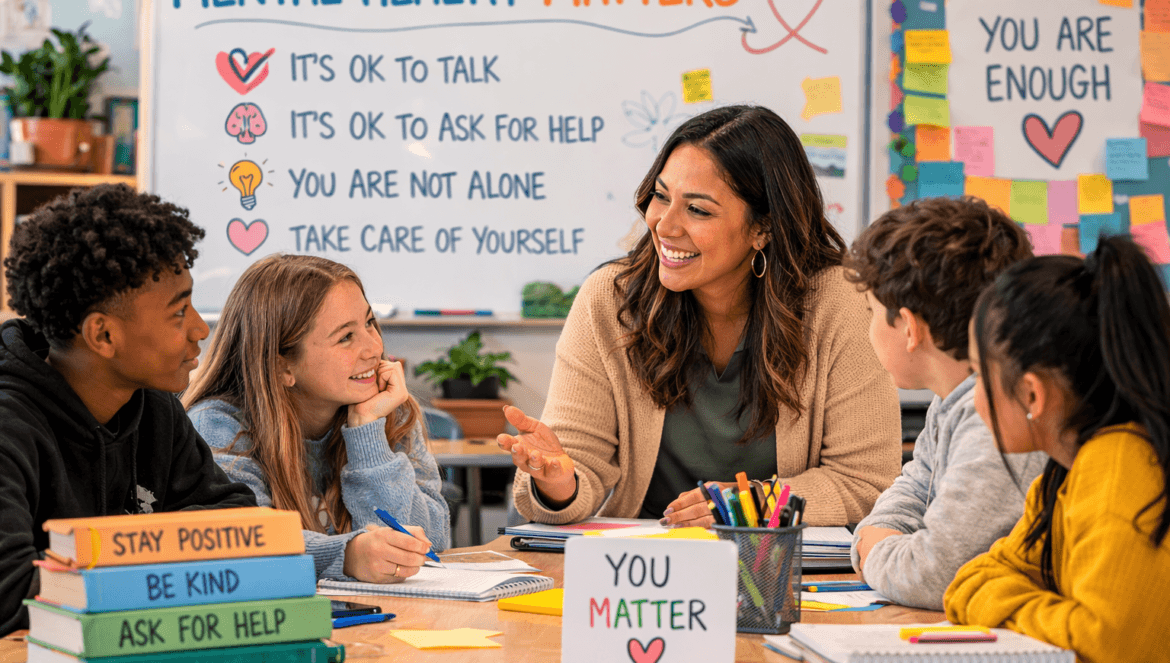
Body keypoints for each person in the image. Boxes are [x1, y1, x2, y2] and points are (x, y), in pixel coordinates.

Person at [498, 105, 902, 526]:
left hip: (774, 569)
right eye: (661, 196)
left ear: (763, 228)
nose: (664, 225)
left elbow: (866, 482)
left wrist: (747, 507)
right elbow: (577, 466)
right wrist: (558, 481)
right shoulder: (611, 299)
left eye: (699, 210)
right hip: (643, 569)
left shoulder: (839, 303)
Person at [0, 184, 257, 635]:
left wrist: (107, 558)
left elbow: (238, 520)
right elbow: (12, 595)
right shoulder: (9, 426)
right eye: (179, 313)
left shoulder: (154, 408)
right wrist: (158, 555)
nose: (200, 329)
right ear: (103, 336)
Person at [945, 237, 1170, 660]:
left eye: (978, 375)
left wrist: (1011, 604)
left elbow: (1108, 644)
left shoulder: (1119, 466)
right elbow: (972, 579)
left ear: (1031, 395)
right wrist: (1051, 611)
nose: (975, 397)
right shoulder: (1063, 473)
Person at [184, 255, 450, 583]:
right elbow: (244, 538)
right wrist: (348, 555)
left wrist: (368, 433)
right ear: (282, 366)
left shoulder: (387, 410)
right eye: (345, 337)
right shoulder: (218, 426)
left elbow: (431, 543)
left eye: (369, 323)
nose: (373, 348)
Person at [842, 197, 1047, 610]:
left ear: (911, 329)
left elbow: (936, 575)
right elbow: (916, 485)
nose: (868, 330)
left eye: (871, 313)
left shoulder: (994, 417)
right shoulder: (951, 400)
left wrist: (872, 551)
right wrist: (878, 534)